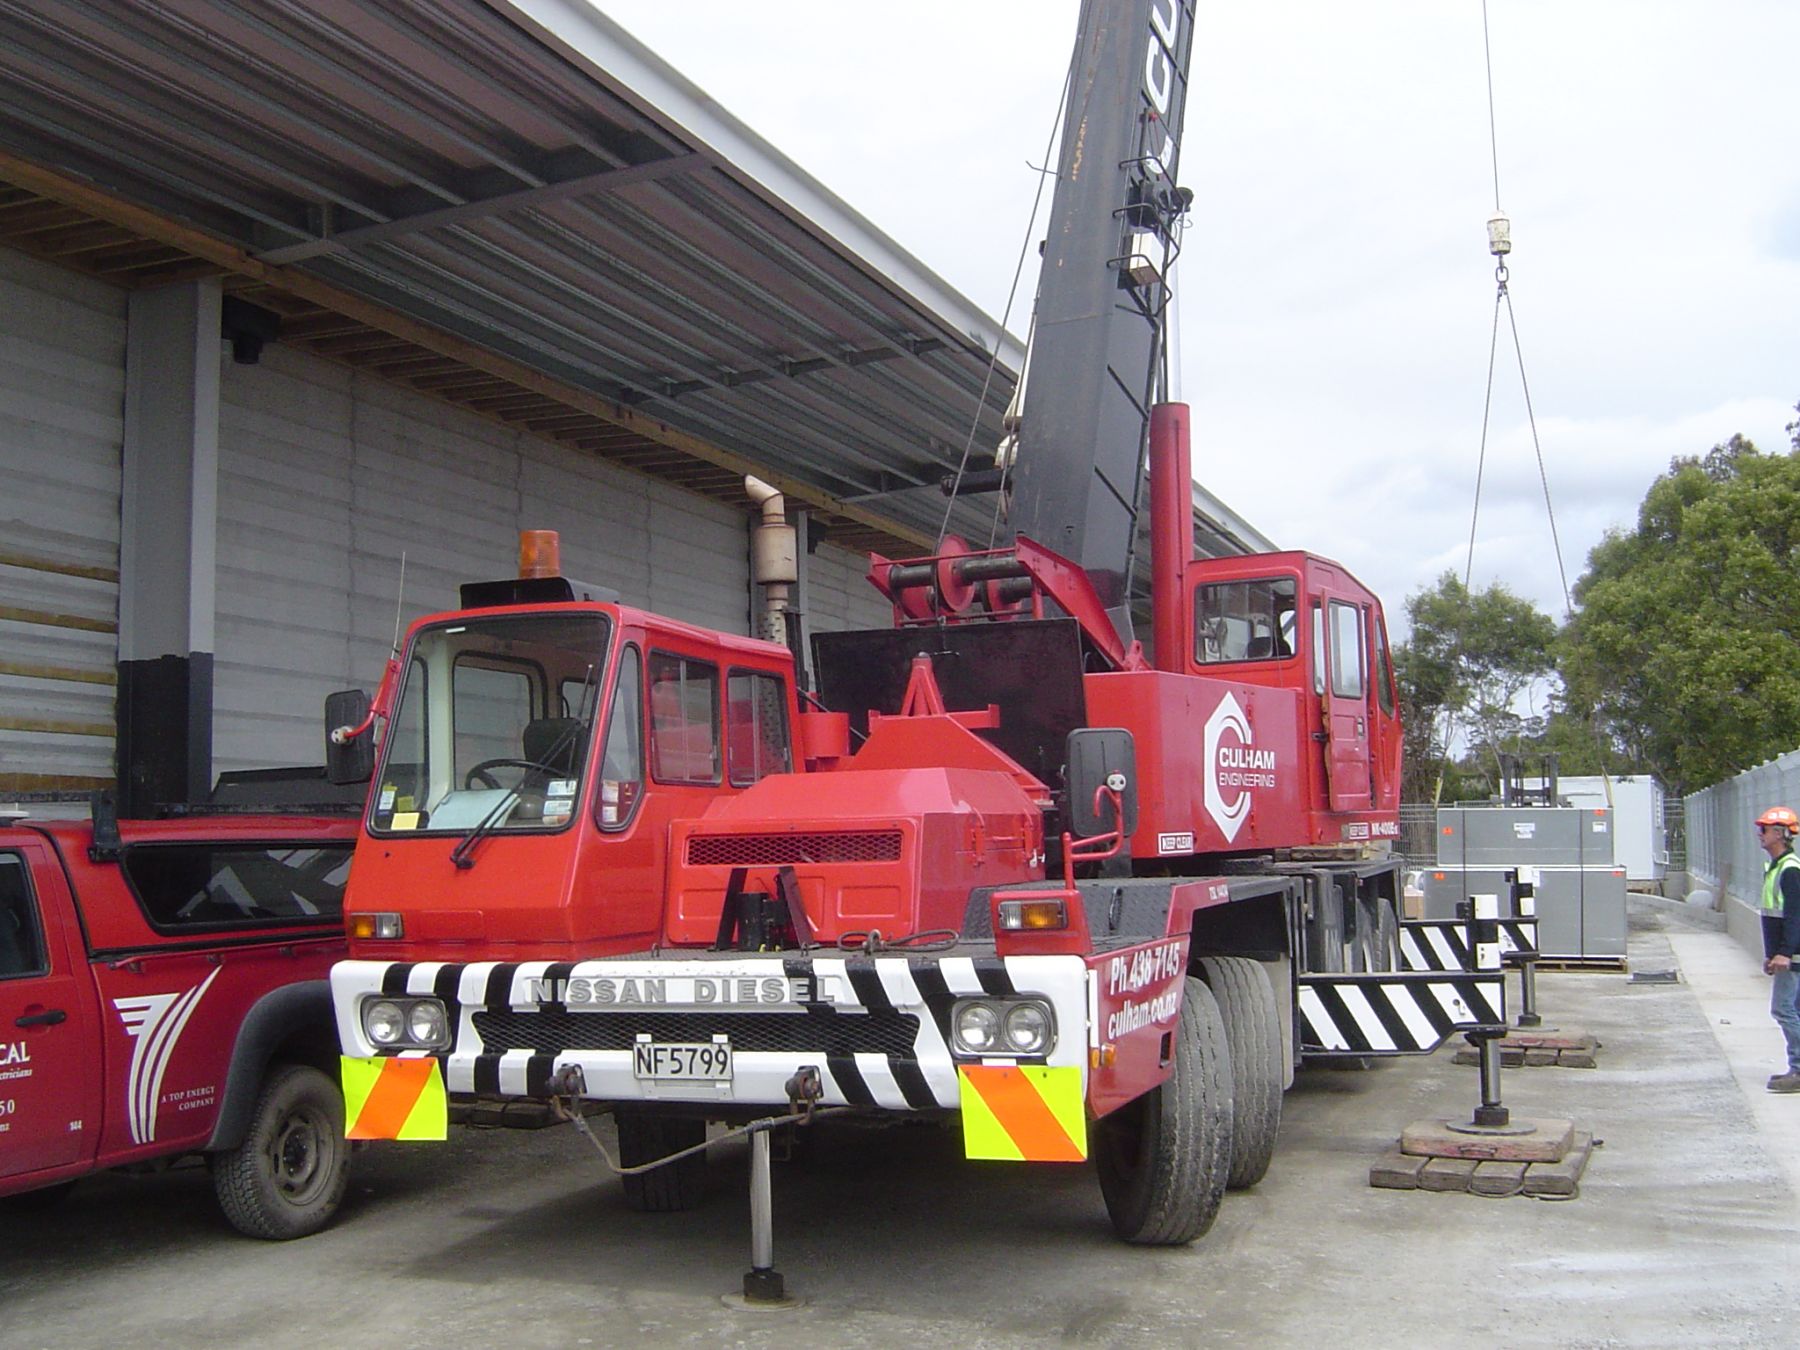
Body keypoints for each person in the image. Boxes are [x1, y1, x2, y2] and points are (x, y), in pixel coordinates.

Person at [1753, 806, 1800, 1093]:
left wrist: (1783, 953)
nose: (1760, 835)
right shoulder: (1776, 868)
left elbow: (1795, 915)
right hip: (1786, 955)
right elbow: (1775, 916)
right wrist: (1772, 954)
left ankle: (1798, 1068)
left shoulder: (1789, 870)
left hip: (1793, 956)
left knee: (1783, 1009)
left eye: (1765, 830)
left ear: (1780, 834)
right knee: (1793, 1010)